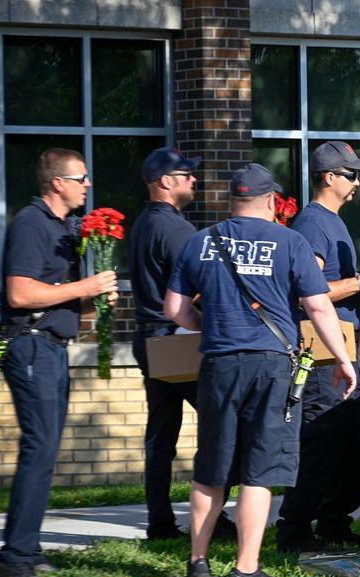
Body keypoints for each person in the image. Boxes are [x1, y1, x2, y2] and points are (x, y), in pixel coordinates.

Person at [165, 163, 357, 577]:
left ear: (233, 199)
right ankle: (244, 570)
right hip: (271, 365)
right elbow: (320, 308)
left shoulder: (201, 242)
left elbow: (174, 310)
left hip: (217, 364)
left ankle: (198, 564)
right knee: (259, 469)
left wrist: (212, 324)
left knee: (212, 468)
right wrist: (344, 359)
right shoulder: (290, 242)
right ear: (272, 201)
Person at [0, 148, 119, 577]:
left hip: (51, 348)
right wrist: (86, 286)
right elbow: (21, 294)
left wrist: (92, 299)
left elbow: (55, 294)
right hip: (30, 347)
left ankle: (26, 548)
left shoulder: (63, 228)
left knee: (45, 453)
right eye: (81, 178)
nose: (87, 185)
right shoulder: (31, 224)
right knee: (39, 450)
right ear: (57, 183)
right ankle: (13, 557)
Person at [275, 141, 360, 552]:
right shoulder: (311, 224)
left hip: (349, 347)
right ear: (329, 177)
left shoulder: (333, 222)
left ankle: (334, 522)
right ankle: (294, 528)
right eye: (351, 174)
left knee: (354, 442)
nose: (358, 181)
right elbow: (305, 292)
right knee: (322, 440)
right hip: (324, 353)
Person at [130, 146, 237, 541]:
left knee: (161, 434)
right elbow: (203, 287)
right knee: (224, 424)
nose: (194, 179)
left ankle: (160, 522)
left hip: (150, 339)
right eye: (186, 173)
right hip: (176, 339)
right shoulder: (176, 230)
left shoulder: (145, 223)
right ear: (165, 182)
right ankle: (211, 516)